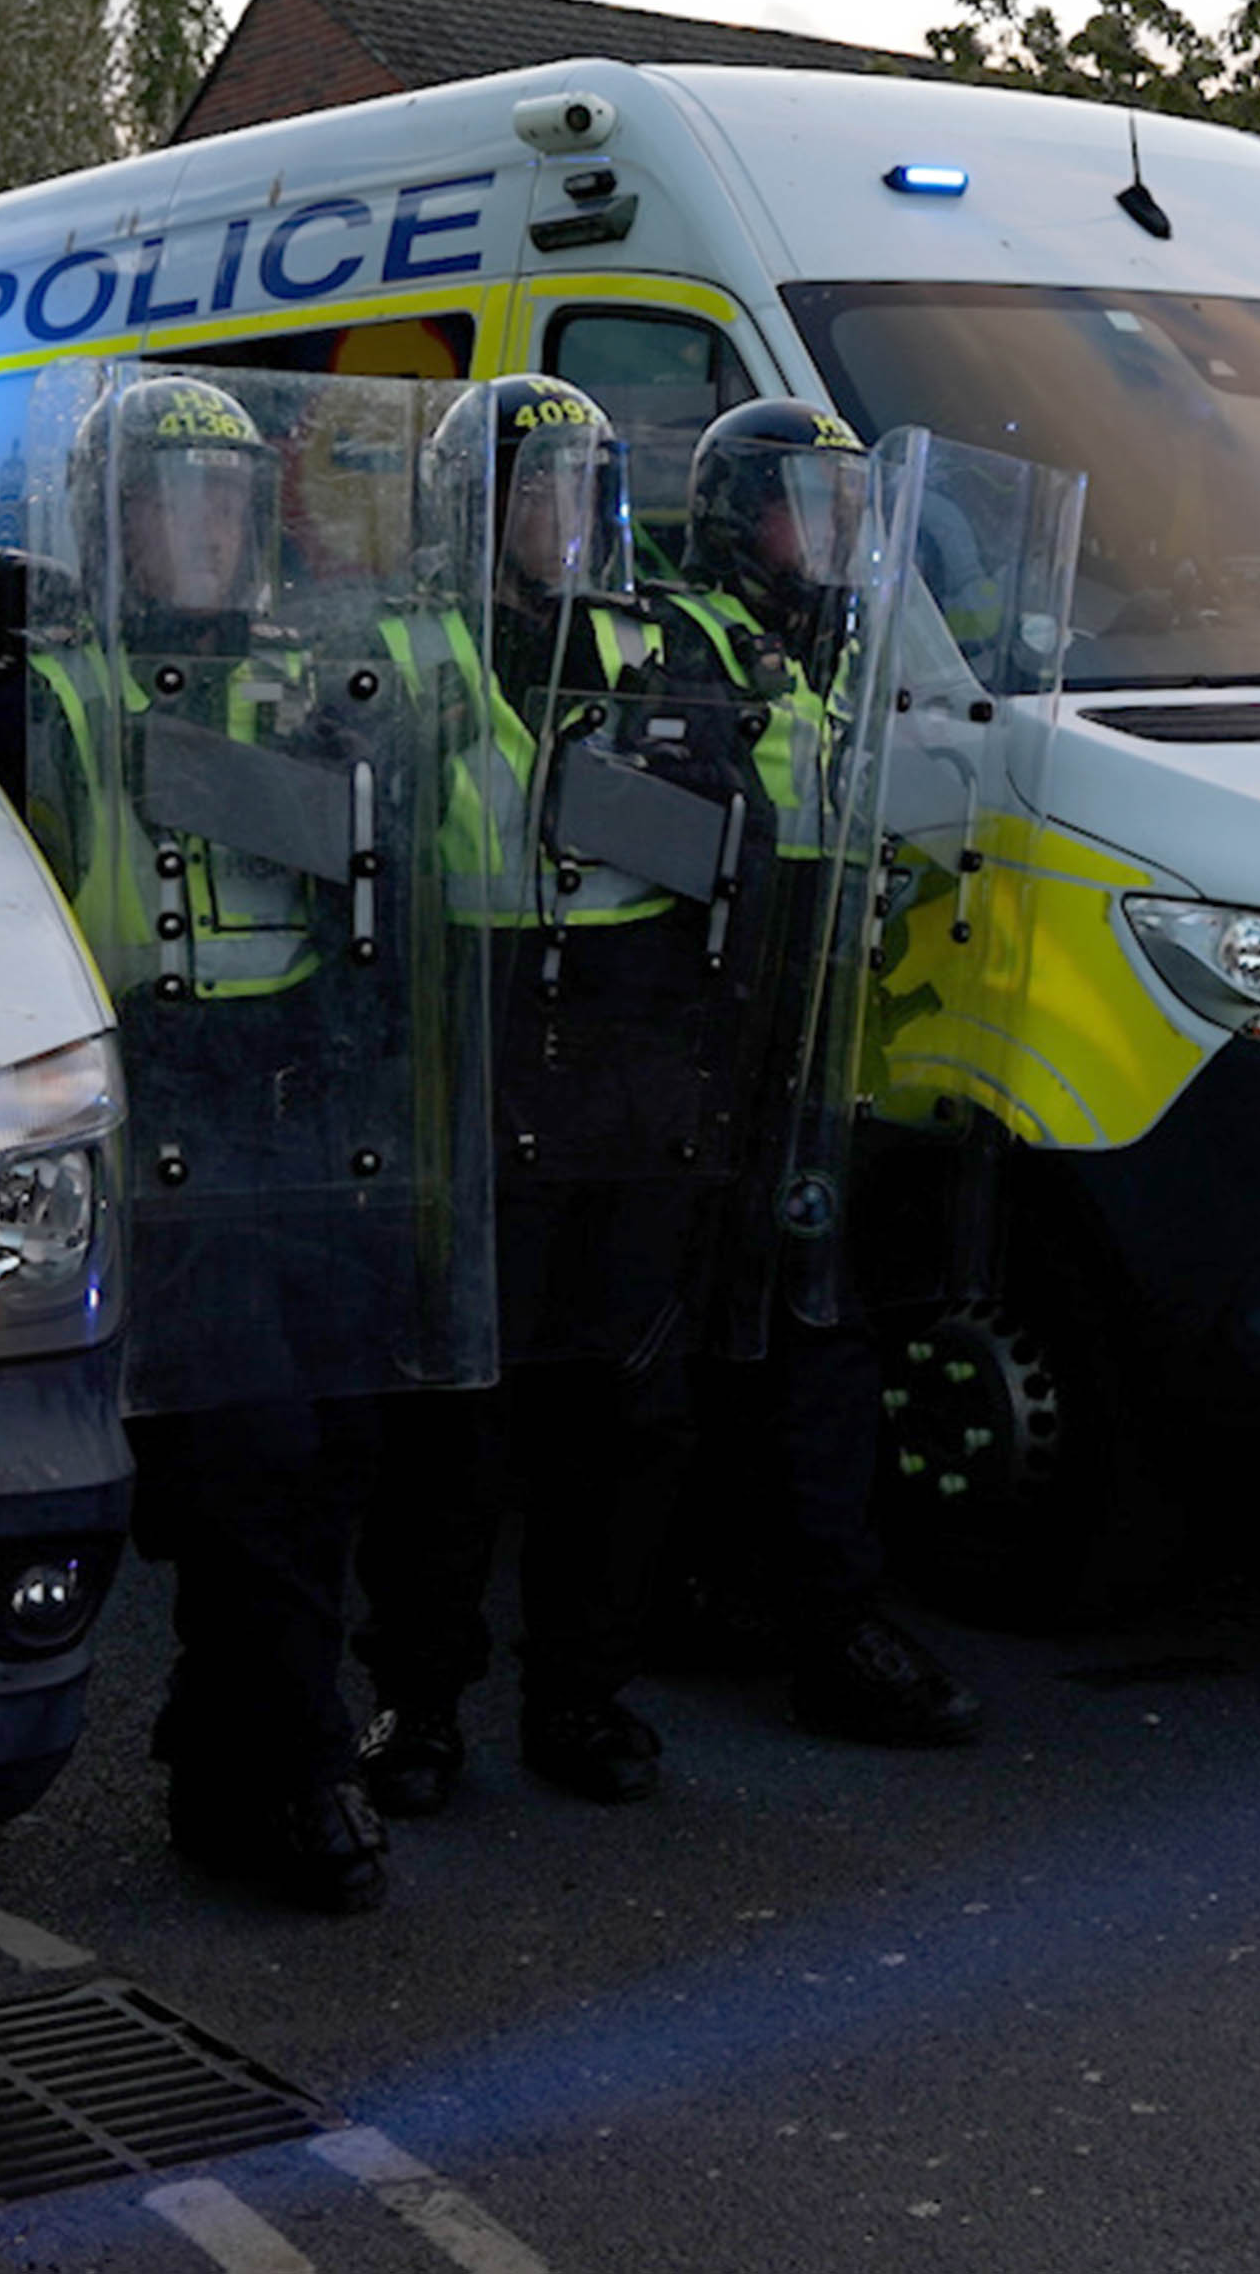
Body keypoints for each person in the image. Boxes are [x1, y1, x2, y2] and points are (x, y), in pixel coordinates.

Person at [7, 373, 465, 1912]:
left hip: (304, 1089)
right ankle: (300, 1766)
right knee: (253, 1453)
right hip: (154, 1100)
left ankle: (225, 1746)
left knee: (331, 1445)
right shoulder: (58, 686)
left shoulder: (311, 672)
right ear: (107, 521)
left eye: (224, 502)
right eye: (167, 500)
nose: (200, 531)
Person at [355, 377, 776, 1814]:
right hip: (472, 1055)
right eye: (535, 488)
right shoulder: (405, 649)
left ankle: (583, 1693)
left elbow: (745, 835)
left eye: (585, 489)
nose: (562, 517)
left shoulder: (656, 643)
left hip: (633, 1067)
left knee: (620, 1410)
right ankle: (418, 1701)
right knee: (453, 1421)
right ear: (474, 504)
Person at [651, 399, 982, 1748]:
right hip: (701, 1054)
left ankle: (796, 1602)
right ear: (741, 516)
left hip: (809, 1052)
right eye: (808, 504)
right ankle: (751, 1606)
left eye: (853, 506)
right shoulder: (683, 651)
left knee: (809, 1339)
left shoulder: (833, 658)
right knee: (728, 1347)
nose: (837, 534)